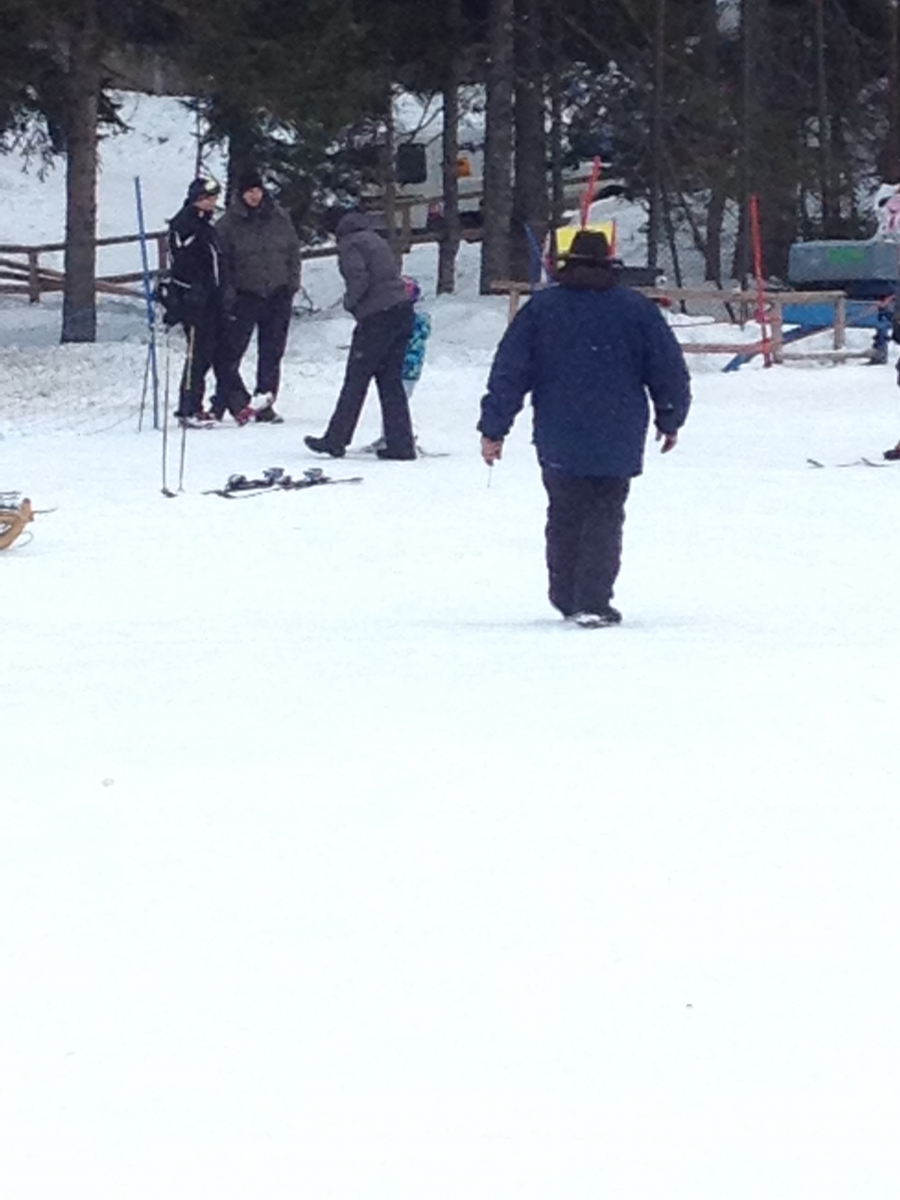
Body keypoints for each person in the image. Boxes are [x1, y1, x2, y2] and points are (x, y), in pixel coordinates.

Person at [478, 229, 692, 628]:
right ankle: (593, 599)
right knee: (606, 515)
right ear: (611, 265)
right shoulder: (636, 309)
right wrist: (670, 416)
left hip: (559, 429)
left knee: (564, 513)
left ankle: (565, 594)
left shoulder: (543, 310)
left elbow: (510, 370)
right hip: (619, 428)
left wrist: (495, 427)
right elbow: (667, 369)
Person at [304, 211, 416, 460]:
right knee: (390, 381)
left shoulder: (350, 244)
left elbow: (358, 278)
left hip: (378, 316)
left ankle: (336, 439)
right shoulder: (374, 238)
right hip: (402, 310)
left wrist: (350, 303)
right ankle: (401, 444)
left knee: (356, 378)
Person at [215, 169, 301, 423]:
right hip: (245, 295)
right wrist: (229, 294)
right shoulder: (228, 225)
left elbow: (293, 251)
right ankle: (235, 400)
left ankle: (265, 402)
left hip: (277, 293)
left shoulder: (279, 218)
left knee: (272, 351)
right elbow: (223, 263)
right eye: (249, 191)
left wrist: (292, 284)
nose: (254, 196)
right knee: (231, 352)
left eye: (257, 190)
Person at [165, 177, 244, 424]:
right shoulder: (186, 224)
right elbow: (184, 260)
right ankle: (188, 407)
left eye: (213, 198)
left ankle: (234, 402)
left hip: (213, 299)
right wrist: (190, 290)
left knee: (221, 351)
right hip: (195, 300)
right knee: (198, 354)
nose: (212, 203)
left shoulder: (206, 225)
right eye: (207, 198)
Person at [362, 275, 432, 454]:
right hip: (411, 370)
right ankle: (391, 434)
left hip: (405, 369)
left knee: (396, 402)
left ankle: (396, 435)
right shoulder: (420, 319)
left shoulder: (411, 320)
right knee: (398, 401)